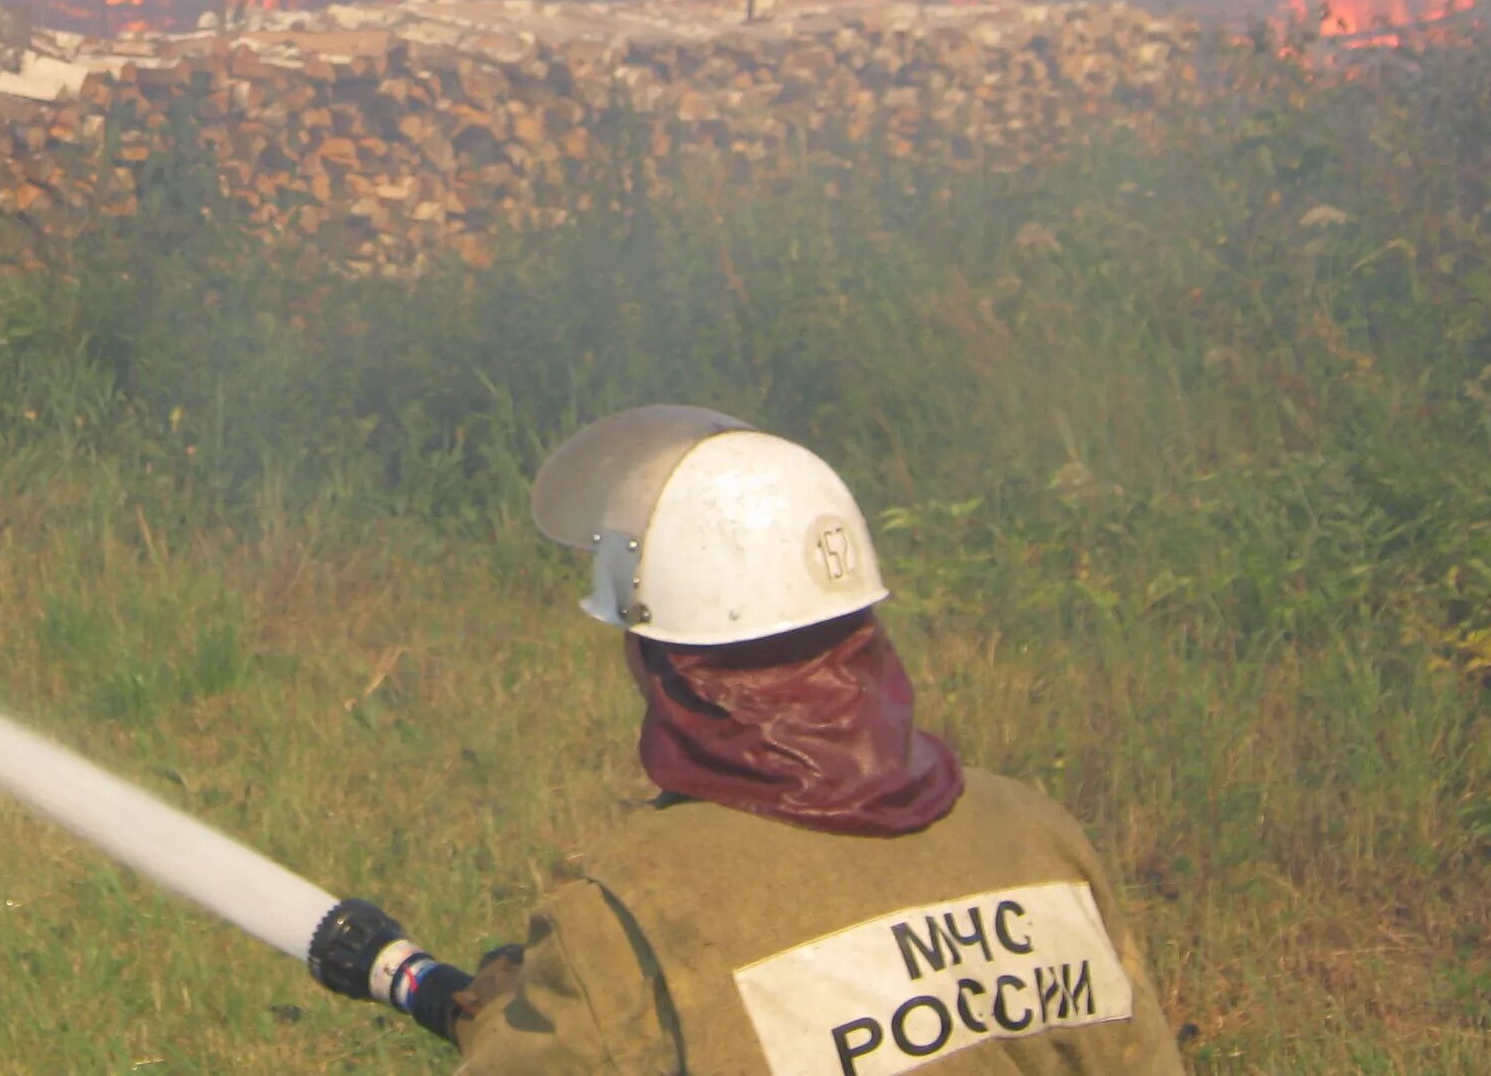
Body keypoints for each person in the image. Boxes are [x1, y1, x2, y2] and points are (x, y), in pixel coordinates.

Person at [339, 406, 1186, 1075]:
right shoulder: (1037, 834)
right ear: (859, 627)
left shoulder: (628, 912)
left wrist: (502, 1017)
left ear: (659, 660)